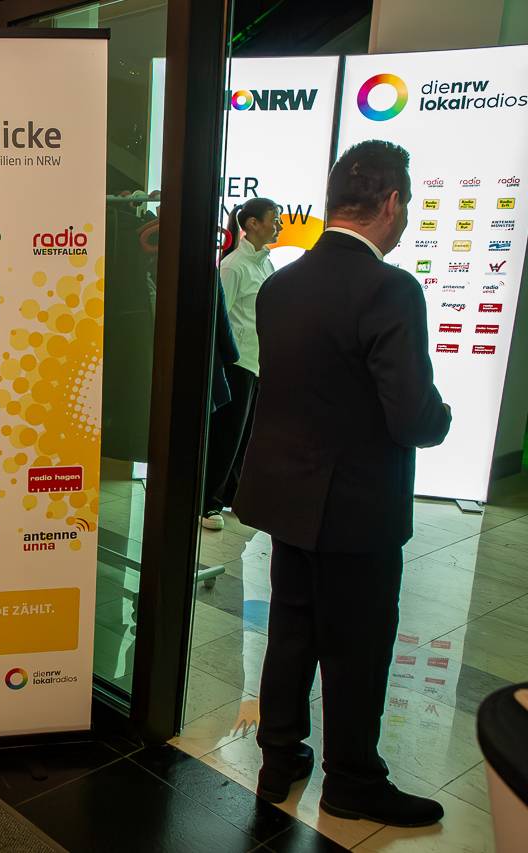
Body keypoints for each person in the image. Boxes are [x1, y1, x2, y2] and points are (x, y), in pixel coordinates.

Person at [233, 140, 451, 827]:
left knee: (292, 629)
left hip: (289, 501)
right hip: (358, 508)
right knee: (358, 647)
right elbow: (412, 416)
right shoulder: (391, 289)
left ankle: (279, 758)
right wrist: (443, 416)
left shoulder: (281, 284)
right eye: (406, 204)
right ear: (391, 203)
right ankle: (353, 781)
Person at [200, 197, 281, 531]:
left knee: (245, 437)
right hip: (236, 364)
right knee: (227, 436)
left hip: (257, 362)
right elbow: (219, 319)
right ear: (252, 224)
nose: (278, 226)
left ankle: (232, 494)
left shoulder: (266, 264)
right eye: (274, 219)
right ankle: (208, 503)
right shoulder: (233, 267)